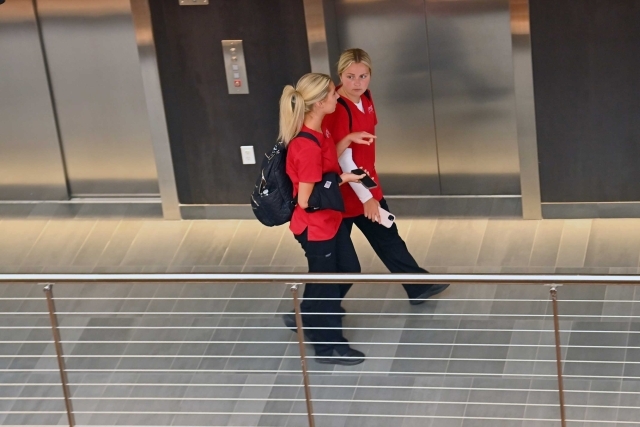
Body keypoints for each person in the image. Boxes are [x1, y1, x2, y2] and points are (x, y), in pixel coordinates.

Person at [324, 48, 449, 304]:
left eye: (363, 76)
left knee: (387, 236)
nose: (357, 83)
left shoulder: (366, 99)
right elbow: (343, 157)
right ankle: (309, 313)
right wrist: (367, 197)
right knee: (341, 263)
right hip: (348, 192)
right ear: (340, 75)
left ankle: (417, 286)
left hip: (366, 183)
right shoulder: (338, 107)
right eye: (350, 77)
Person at [279, 73, 374, 365]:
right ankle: (329, 346)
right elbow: (306, 199)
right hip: (316, 228)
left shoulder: (320, 132)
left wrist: (346, 143)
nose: (337, 96)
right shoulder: (306, 145)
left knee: (348, 269)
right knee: (327, 286)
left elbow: (325, 165)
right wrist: (342, 178)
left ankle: (308, 313)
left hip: (331, 222)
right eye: (333, 94)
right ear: (320, 103)